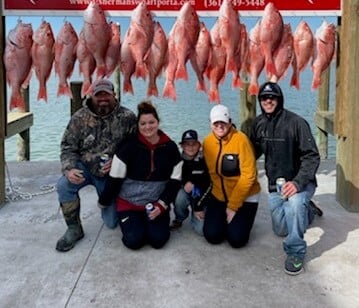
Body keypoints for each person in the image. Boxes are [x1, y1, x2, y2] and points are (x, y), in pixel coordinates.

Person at [55, 79, 137, 252]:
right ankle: (74, 228)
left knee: (111, 222)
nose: (102, 99)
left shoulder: (128, 118)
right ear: (91, 95)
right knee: (63, 185)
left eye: (106, 94)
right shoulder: (79, 118)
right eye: (98, 95)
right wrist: (69, 169)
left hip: (111, 175)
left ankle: (107, 204)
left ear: (114, 95)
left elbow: (136, 148)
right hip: (84, 168)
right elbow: (67, 147)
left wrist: (118, 161)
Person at [250, 81, 322, 275]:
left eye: (272, 97)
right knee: (281, 229)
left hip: (300, 182)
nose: (268, 101)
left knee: (296, 203)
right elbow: (250, 152)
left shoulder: (297, 123)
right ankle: (309, 211)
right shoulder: (257, 124)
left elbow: (312, 156)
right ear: (260, 100)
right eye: (264, 98)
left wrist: (298, 183)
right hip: (276, 185)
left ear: (279, 99)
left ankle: (296, 251)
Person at [98, 101, 182, 250]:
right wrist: (103, 201)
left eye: (151, 122)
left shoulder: (170, 147)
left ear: (158, 122)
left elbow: (175, 180)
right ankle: (135, 223)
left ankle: (153, 222)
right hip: (129, 204)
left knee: (158, 241)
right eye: (143, 123)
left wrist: (162, 205)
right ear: (138, 125)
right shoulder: (127, 147)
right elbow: (114, 179)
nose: (147, 127)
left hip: (155, 204)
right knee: (134, 241)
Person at [201, 104, 261, 248]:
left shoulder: (241, 140)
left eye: (223, 122)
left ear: (230, 121)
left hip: (245, 197)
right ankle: (223, 218)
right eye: (216, 123)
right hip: (219, 196)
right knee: (212, 236)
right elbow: (208, 173)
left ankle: (238, 218)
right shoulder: (207, 142)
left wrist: (233, 206)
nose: (220, 126)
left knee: (236, 240)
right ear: (210, 124)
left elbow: (249, 176)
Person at [170, 129, 211, 235]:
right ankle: (179, 218)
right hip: (186, 193)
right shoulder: (177, 160)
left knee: (202, 231)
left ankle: (196, 213)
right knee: (179, 197)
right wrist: (184, 183)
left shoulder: (205, 160)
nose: (191, 147)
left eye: (193, 144)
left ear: (199, 145)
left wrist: (198, 207)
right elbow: (174, 181)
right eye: (187, 144)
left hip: (202, 197)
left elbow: (210, 185)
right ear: (182, 146)